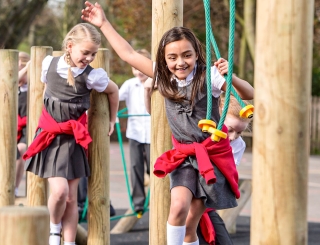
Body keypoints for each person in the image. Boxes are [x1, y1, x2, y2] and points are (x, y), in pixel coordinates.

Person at [81, 2, 254, 244]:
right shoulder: (163, 77)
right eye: (172, 57)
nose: (180, 62)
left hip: (210, 157)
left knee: (191, 224)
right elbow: (129, 54)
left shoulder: (209, 77)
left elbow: (247, 94)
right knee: (178, 208)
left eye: (187, 55)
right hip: (184, 156)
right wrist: (104, 24)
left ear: (196, 54)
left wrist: (230, 75)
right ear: (164, 59)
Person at [22, 23, 119, 245]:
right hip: (51, 136)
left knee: (71, 198)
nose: (89, 58)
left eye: (93, 54)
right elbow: (48, 93)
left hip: (74, 139)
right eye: (85, 52)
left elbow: (114, 91)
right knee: (59, 192)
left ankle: (69, 241)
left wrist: (113, 120)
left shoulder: (93, 76)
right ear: (70, 46)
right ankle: (54, 229)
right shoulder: (49, 65)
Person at [197, 95, 253, 245]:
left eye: (239, 132)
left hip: (208, 204)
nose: (233, 137)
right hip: (191, 197)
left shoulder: (238, 145)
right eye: (229, 130)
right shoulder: (201, 134)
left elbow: (226, 173)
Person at [118, 49, 151, 214]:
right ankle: (138, 204)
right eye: (134, 67)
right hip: (135, 133)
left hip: (153, 134)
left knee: (153, 167)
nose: (138, 71)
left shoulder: (155, 82)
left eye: (141, 67)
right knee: (135, 166)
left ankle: (159, 198)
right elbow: (115, 96)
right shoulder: (130, 84)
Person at [14, 51, 30, 196]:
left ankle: (15, 186)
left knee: (20, 150)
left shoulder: (31, 88)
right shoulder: (13, 87)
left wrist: (27, 69)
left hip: (27, 128)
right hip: (12, 126)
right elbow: (12, 81)